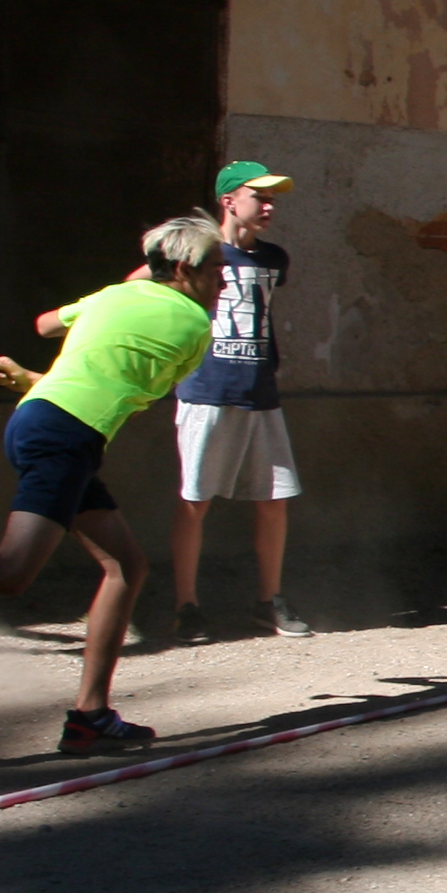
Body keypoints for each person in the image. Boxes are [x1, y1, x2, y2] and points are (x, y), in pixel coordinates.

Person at [0, 216, 225, 754]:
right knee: (8, 572)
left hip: (40, 418)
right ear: (187, 269)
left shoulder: (112, 297)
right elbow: (131, 392)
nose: (223, 281)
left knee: (126, 564)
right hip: (66, 435)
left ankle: (91, 718)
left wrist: (31, 376)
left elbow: (47, 325)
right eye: (217, 268)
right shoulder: (194, 325)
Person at [161, 160, 308, 640]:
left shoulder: (274, 259)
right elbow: (142, 280)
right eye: (258, 197)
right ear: (228, 201)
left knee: (274, 499)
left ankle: (269, 600)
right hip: (206, 392)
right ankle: (186, 606)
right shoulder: (198, 254)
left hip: (260, 393)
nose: (268, 207)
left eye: (272, 200)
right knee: (195, 500)